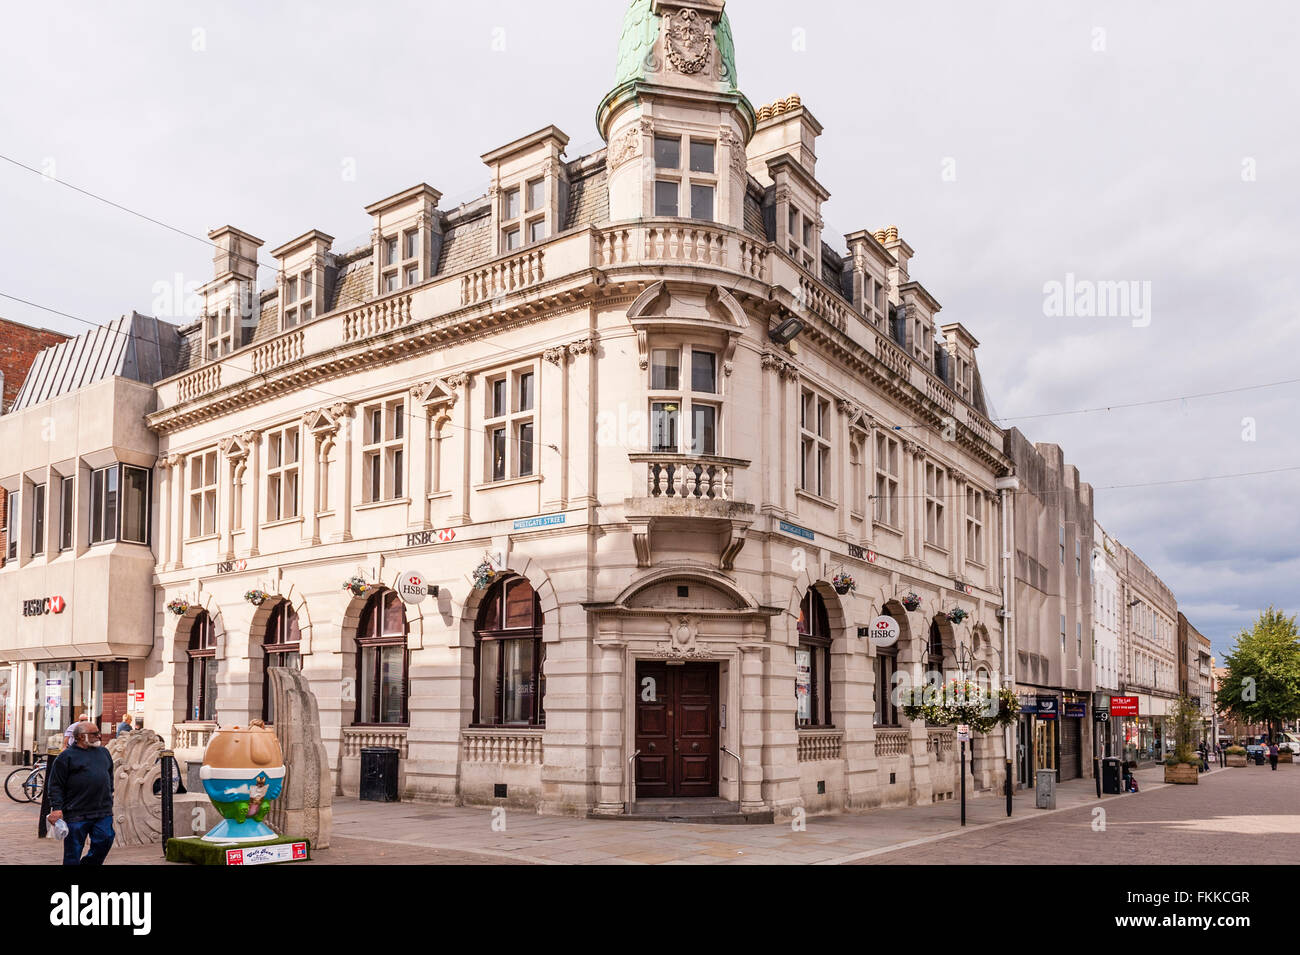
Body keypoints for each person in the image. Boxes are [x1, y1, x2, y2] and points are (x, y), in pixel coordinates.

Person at [46, 721, 115, 866]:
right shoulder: (66, 757)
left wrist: (110, 792)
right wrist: (57, 808)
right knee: (73, 851)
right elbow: (55, 784)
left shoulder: (104, 752)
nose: (99, 736)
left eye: (98, 732)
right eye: (94, 734)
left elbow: (109, 775)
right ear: (81, 737)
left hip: (102, 810)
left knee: (106, 839)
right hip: (76, 812)